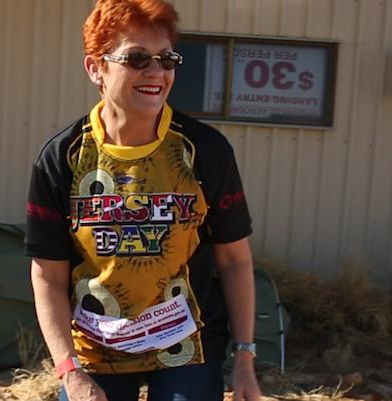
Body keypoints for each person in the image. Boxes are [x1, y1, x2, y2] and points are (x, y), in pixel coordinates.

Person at [25, 1, 262, 400]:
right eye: (136, 59)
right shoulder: (63, 157)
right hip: (96, 352)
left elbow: (235, 259)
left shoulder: (204, 150)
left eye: (166, 59)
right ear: (95, 68)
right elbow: (48, 275)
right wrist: (69, 371)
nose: (155, 72)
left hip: (186, 348)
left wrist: (244, 357)